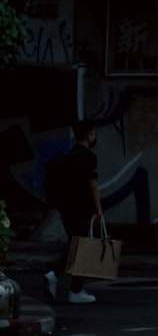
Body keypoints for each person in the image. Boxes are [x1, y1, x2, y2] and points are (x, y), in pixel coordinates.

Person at [43, 120, 103, 304]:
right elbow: (93, 187)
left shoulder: (68, 156)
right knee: (80, 246)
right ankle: (60, 278)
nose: (94, 137)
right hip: (82, 209)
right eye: (93, 134)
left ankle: (74, 288)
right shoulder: (88, 157)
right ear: (88, 135)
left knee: (76, 244)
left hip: (66, 208)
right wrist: (99, 211)